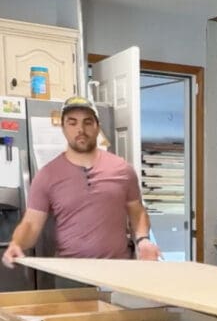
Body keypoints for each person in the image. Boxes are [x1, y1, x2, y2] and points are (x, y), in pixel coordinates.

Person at [2, 95, 160, 271]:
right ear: (63, 128)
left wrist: (143, 239)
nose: (80, 129)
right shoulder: (47, 175)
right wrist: (17, 243)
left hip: (119, 271)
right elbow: (31, 224)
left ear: (97, 126)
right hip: (70, 274)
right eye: (72, 122)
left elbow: (137, 212)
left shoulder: (122, 169)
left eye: (87, 122)